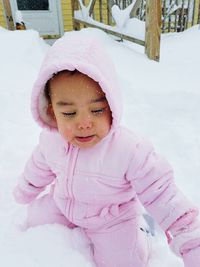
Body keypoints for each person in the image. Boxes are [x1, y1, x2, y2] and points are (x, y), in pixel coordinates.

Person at [13, 33, 200, 267]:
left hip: (112, 221)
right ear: (52, 112)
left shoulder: (129, 150)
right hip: (64, 204)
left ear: (112, 104)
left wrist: (191, 240)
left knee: (125, 262)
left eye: (97, 110)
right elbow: (38, 166)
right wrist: (26, 189)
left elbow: (162, 193)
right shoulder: (51, 140)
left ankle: (141, 231)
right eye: (69, 113)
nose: (83, 123)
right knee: (35, 220)